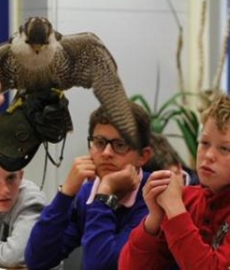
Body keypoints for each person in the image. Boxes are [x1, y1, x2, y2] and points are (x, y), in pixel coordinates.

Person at [119, 94, 230, 270]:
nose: (208, 155)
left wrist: (175, 209)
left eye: (224, 149)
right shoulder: (188, 197)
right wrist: (153, 220)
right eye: (204, 143)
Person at [25, 101, 152, 270]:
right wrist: (66, 194)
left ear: (143, 156)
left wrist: (104, 195)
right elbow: (37, 260)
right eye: (99, 142)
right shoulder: (86, 194)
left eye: (120, 145)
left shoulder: (154, 198)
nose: (106, 153)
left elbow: (101, 266)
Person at [0, 165, 46, 268]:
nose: (5, 190)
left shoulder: (32, 200)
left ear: (21, 176)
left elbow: (12, 257)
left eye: (11, 178)